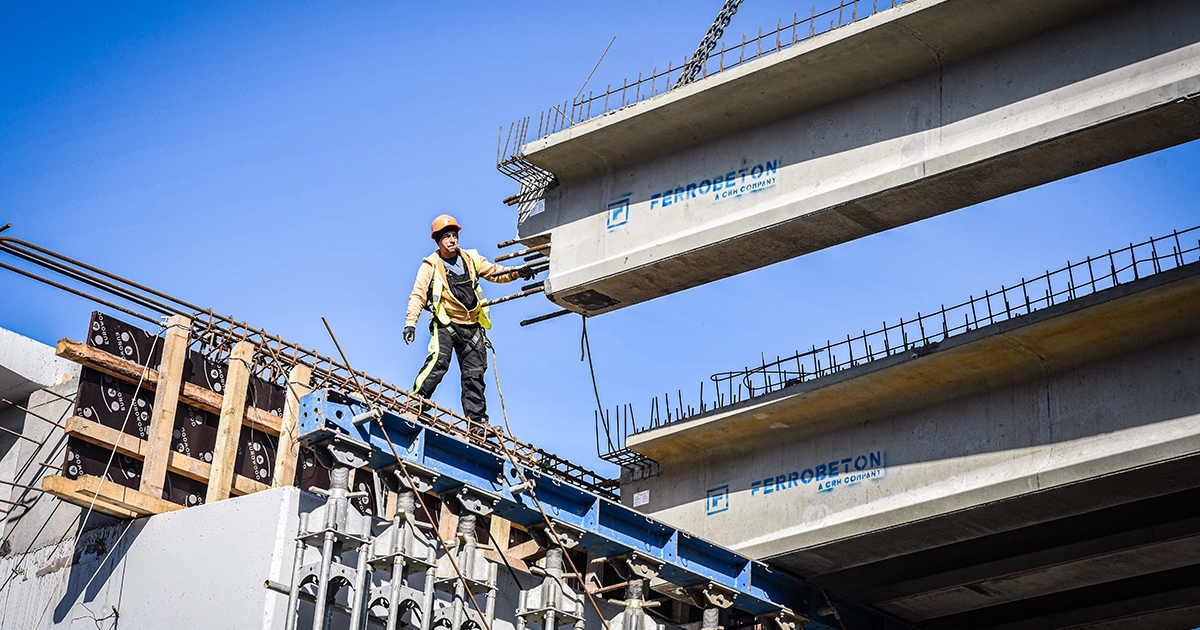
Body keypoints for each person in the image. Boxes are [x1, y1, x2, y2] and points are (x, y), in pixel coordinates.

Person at [404, 214, 534, 425]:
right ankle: (417, 402)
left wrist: (517, 272)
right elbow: (418, 295)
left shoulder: (471, 258)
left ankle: (477, 423)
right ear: (438, 240)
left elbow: (495, 272)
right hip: (446, 323)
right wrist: (411, 323)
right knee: (439, 361)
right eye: (447, 236)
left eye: (454, 235)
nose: (452, 240)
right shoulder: (430, 265)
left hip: (471, 326)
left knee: (475, 374)